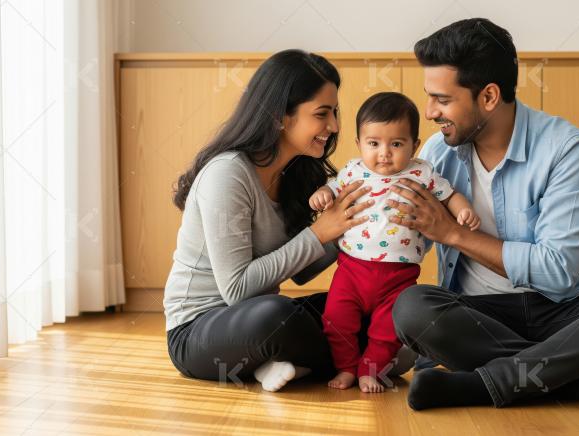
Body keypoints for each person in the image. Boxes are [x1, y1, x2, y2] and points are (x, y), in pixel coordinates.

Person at [388, 18, 579, 410]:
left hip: (566, 312)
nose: (429, 112)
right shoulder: (437, 153)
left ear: (490, 96)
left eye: (442, 100)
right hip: (479, 317)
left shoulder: (568, 151)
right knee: (412, 307)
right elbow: (402, 236)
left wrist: (455, 234)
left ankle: (483, 384)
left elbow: (558, 272)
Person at [163, 49, 416, 393]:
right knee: (276, 315)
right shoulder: (228, 174)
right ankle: (361, 361)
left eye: (335, 113)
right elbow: (236, 290)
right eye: (322, 114)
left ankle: (283, 363)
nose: (335, 127)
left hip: (264, 316)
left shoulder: (295, 171)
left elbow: (301, 271)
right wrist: (320, 231)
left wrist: (360, 226)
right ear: (280, 116)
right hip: (199, 331)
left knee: (381, 312)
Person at [308, 92, 478, 392]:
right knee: (336, 319)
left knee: (387, 331)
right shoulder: (353, 171)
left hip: (398, 276)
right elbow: (331, 188)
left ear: (414, 144)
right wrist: (323, 194)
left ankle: (368, 371)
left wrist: (462, 209)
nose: (384, 153)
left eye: (396, 144)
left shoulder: (421, 172)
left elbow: (450, 195)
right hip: (351, 271)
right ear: (359, 144)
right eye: (374, 143)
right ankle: (346, 367)